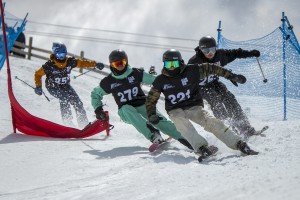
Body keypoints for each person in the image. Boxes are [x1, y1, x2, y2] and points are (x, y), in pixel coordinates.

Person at [145, 49, 258, 161]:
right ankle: (201, 147)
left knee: (211, 121)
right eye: (168, 64)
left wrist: (231, 75)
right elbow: (151, 99)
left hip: (193, 106)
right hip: (175, 109)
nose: (171, 67)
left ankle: (237, 143)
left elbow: (212, 68)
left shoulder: (192, 70)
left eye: (174, 63)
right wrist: (151, 114)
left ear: (180, 62)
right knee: (181, 122)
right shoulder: (161, 80)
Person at [91, 49, 192, 149]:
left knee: (159, 121)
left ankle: (191, 141)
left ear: (126, 61)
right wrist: (98, 109)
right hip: (125, 111)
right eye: (117, 64)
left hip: (142, 105)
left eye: (122, 62)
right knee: (127, 108)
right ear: (112, 65)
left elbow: (155, 80)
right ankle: (153, 135)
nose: (120, 66)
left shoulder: (135, 73)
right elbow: (95, 94)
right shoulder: (109, 81)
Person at [188, 36, 261, 138]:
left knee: (230, 100)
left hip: (214, 83)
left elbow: (236, 53)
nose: (210, 53)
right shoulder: (195, 61)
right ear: (201, 50)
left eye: (212, 49)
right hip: (202, 87)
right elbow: (188, 80)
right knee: (216, 101)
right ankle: (228, 130)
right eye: (206, 50)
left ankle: (245, 128)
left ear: (216, 48)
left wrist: (250, 53)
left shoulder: (220, 55)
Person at [34, 42, 105, 128]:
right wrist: (38, 86)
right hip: (52, 87)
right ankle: (68, 122)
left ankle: (83, 124)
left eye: (63, 55)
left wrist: (95, 64)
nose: (61, 58)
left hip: (65, 86)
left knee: (77, 102)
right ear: (54, 54)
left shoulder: (70, 62)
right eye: (59, 55)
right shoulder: (49, 65)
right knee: (64, 97)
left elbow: (82, 63)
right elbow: (38, 74)